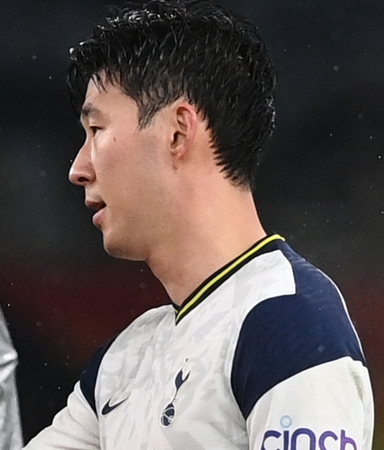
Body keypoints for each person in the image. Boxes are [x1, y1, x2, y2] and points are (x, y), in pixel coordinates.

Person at [24, 1, 374, 449]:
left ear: (177, 132)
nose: (78, 168)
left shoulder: (288, 321)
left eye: (96, 129)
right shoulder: (123, 359)